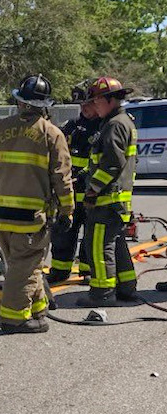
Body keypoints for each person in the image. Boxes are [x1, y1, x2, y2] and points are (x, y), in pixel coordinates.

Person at [0, 74, 73, 334]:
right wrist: (67, 211)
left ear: (19, 101)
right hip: (29, 219)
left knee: (24, 265)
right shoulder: (52, 134)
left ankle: (38, 308)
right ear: (45, 105)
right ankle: (14, 318)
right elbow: (62, 179)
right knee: (26, 266)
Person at [75, 76, 138, 306]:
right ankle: (126, 288)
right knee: (117, 244)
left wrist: (92, 189)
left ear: (110, 100)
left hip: (106, 200)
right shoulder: (122, 121)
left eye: (96, 101)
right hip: (117, 199)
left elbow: (112, 163)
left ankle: (102, 294)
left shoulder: (114, 125)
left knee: (99, 247)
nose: (92, 106)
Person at [46, 81, 101, 283]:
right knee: (63, 234)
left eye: (88, 104)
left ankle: (88, 271)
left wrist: (86, 176)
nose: (84, 109)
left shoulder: (105, 127)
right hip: (70, 193)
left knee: (91, 236)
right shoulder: (70, 127)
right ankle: (60, 270)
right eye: (81, 105)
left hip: (92, 193)